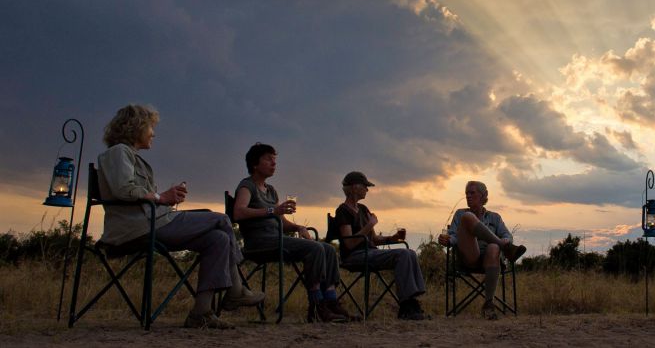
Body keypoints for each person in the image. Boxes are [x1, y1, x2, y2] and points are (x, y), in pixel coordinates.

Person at [96, 104, 264, 329]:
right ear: (135, 127)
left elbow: (138, 193)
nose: (153, 133)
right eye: (150, 127)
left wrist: (166, 197)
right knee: (221, 220)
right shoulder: (119, 152)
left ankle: (201, 312)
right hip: (140, 228)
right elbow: (123, 189)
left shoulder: (129, 156)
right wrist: (161, 197)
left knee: (219, 239)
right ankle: (236, 290)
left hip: (154, 222)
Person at [233, 143, 356, 322]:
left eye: (275, 160)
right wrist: (272, 211)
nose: (274, 163)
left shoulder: (271, 190)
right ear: (254, 164)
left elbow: (281, 222)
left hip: (277, 239)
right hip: (259, 242)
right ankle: (316, 305)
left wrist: (298, 227)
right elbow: (238, 212)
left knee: (327, 249)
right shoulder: (247, 186)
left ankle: (331, 301)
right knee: (315, 249)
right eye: (268, 159)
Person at [332, 171, 428, 320]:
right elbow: (349, 243)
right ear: (354, 187)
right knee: (403, 254)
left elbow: (375, 240)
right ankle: (406, 306)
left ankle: (411, 301)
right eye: (365, 186)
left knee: (409, 252)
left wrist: (393, 238)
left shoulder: (363, 209)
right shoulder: (342, 211)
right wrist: (369, 225)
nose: (367, 189)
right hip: (354, 257)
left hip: (370, 253)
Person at [437, 181, 526, 319]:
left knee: (493, 247)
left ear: (483, 195)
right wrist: (447, 240)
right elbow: (454, 236)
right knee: (468, 217)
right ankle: (505, 249)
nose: (468, 196)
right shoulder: (460, 214)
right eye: (467, 193)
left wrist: (506, 240)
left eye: (472, 193)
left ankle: (488, 304)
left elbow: (507, 235)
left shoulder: (495, 217)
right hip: (470, 257)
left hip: (490, 260)